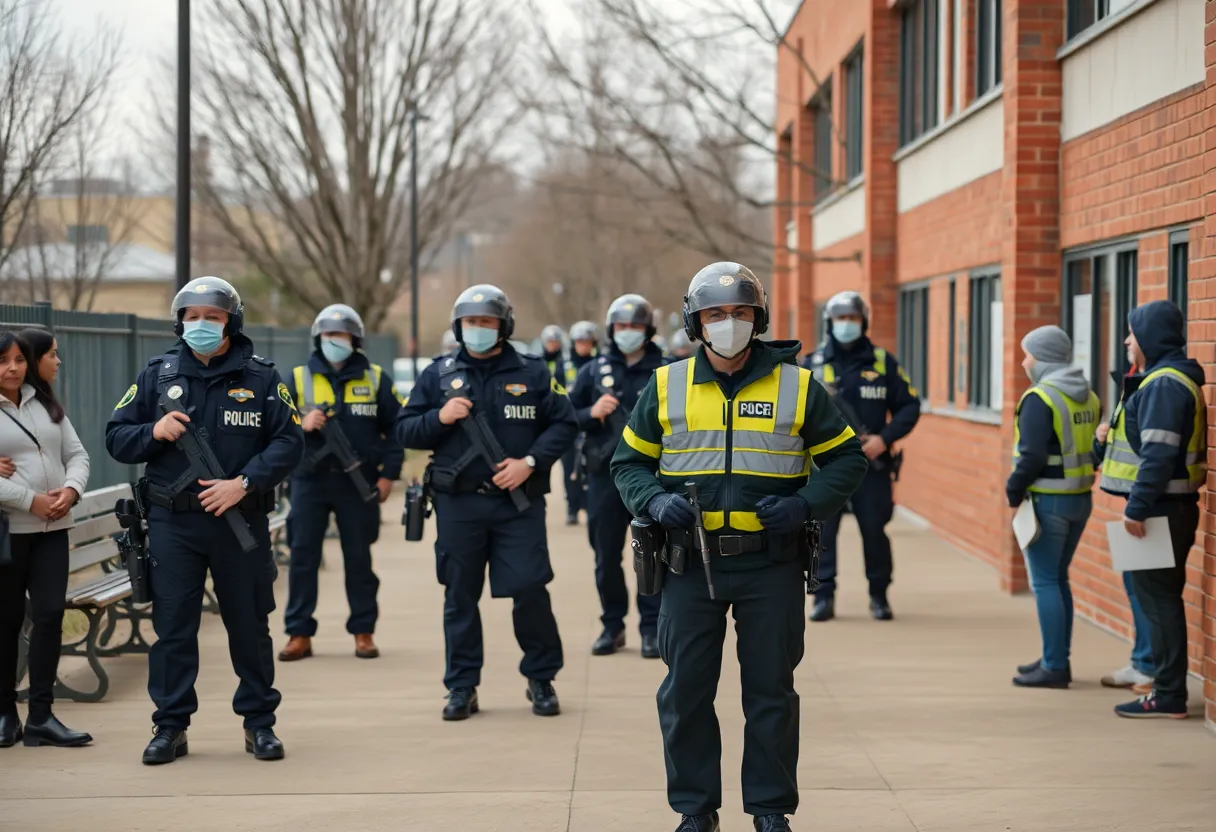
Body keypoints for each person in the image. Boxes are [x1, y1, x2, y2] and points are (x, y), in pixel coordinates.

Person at [612, 262, 867, 832]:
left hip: (771, 565)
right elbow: (627, 464)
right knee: (685, 694)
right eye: (717, 314)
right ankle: (696, 809)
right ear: (695, 322)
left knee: (771, 693)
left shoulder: (798, 386)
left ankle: (770, 808)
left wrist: (805, 504)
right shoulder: (664, 385)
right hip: (686, 565)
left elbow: (849, 460)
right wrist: (653, 502)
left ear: (760, 319)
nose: (730, 324)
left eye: (741, 313)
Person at [106, 277, 305, 764]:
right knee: (174, 628)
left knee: (249, 626)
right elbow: (117, 436)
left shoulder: (262, 378)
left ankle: (259, 724)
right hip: (174, 525)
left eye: (211, 317)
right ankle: (170, 726)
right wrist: (153, 430)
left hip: (241, 520)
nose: (200, 325)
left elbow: (290, 442)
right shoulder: (157, 375)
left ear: (230, 323)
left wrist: (245, 482)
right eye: (191, 317)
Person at [397, 285, 577, 721]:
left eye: (488, 322)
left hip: (518, 503)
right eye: (472, 322)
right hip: (459, 506)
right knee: (459, 596)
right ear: (459, 327)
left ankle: (541, 678)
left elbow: (565, 423)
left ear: (504, 326)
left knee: (531, 589)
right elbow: (405, 431)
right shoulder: (437, 376)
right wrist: (439, 418)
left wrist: (531, 462)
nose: (479, 329)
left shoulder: (533, 372)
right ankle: (461, 687)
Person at [1095, 300, 1204, 719]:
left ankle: (1168, 694)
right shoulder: (1157, 381)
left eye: (1132, 333)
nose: (1126, 340)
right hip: (1162, 509)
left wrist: (1136, 510)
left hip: (1158, 512)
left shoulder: (1163, 385)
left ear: (1151, 337)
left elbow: (1158, 455)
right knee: (1157, 600)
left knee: (1157, 603)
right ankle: (1165, 689)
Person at [278, 305, 403, 662]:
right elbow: (274, 427)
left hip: (358, 482)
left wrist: (387, 475)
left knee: (359, 559)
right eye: (330, 335)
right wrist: (299, 422)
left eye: (342, 335)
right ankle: (299, 633)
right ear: (319, 339)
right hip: (309, 482)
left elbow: (397, 430)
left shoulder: (375, 378)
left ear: (355, 340)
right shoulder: (298, 378)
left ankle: (363, 632)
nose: (336, 341)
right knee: (303, 558)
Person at [801, 291, 920, 622]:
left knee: (874, 531)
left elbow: (910, 406)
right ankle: (823, 597)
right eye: (841, 319)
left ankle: (879, 595)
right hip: (825, 468)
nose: (847, 325)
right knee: (821, 534)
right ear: (830, 323)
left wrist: (884, 438)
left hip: (872, 465)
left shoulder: (883, 363)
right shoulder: (811, 363)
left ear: (863, 322)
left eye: (853, 319)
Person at [0, 330, 91, 749]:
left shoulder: (44, 403)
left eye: (18, 359)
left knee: (51, 616)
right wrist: (29, 500)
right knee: (6, 623)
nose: (13, 368)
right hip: (9, 535)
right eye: (3, 362)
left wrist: (70, 491)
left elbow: (77, 455)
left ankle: (41, 715)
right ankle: (5, 713)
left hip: (54, 531)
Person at [570, 294, 665, 659]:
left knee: (653, 555)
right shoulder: (592, 372)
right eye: (622, 327)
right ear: (611, 330)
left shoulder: (667, 371)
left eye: (635, 326)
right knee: (605, 556)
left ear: (649, 330)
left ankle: (652, 628)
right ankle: (613, 626)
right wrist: (590, 412)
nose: (628, 333)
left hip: (652, 480)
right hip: (604, 479)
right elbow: (563, 416)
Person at [1005, 326, 1099, 689]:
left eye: (1028, 354)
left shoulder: (1039, 398)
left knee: (1045, 582)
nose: (1024, 361)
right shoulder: (1088, 396)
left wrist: (1012, 492)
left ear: (1043, 357)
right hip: (1080, 500)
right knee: (1059, 580)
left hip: (1046, 500)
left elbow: (1030, 457)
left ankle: (1055, 666)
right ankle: (1054, 658)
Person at [541, 324, 582, 525]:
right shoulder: (541, 363)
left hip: (577, 416)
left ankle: (582, 504)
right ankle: (572, 507)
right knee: (567, 467)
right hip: (557, 419)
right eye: (549, 342)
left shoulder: (567, 364)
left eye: (555, 342)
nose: (552, 345)